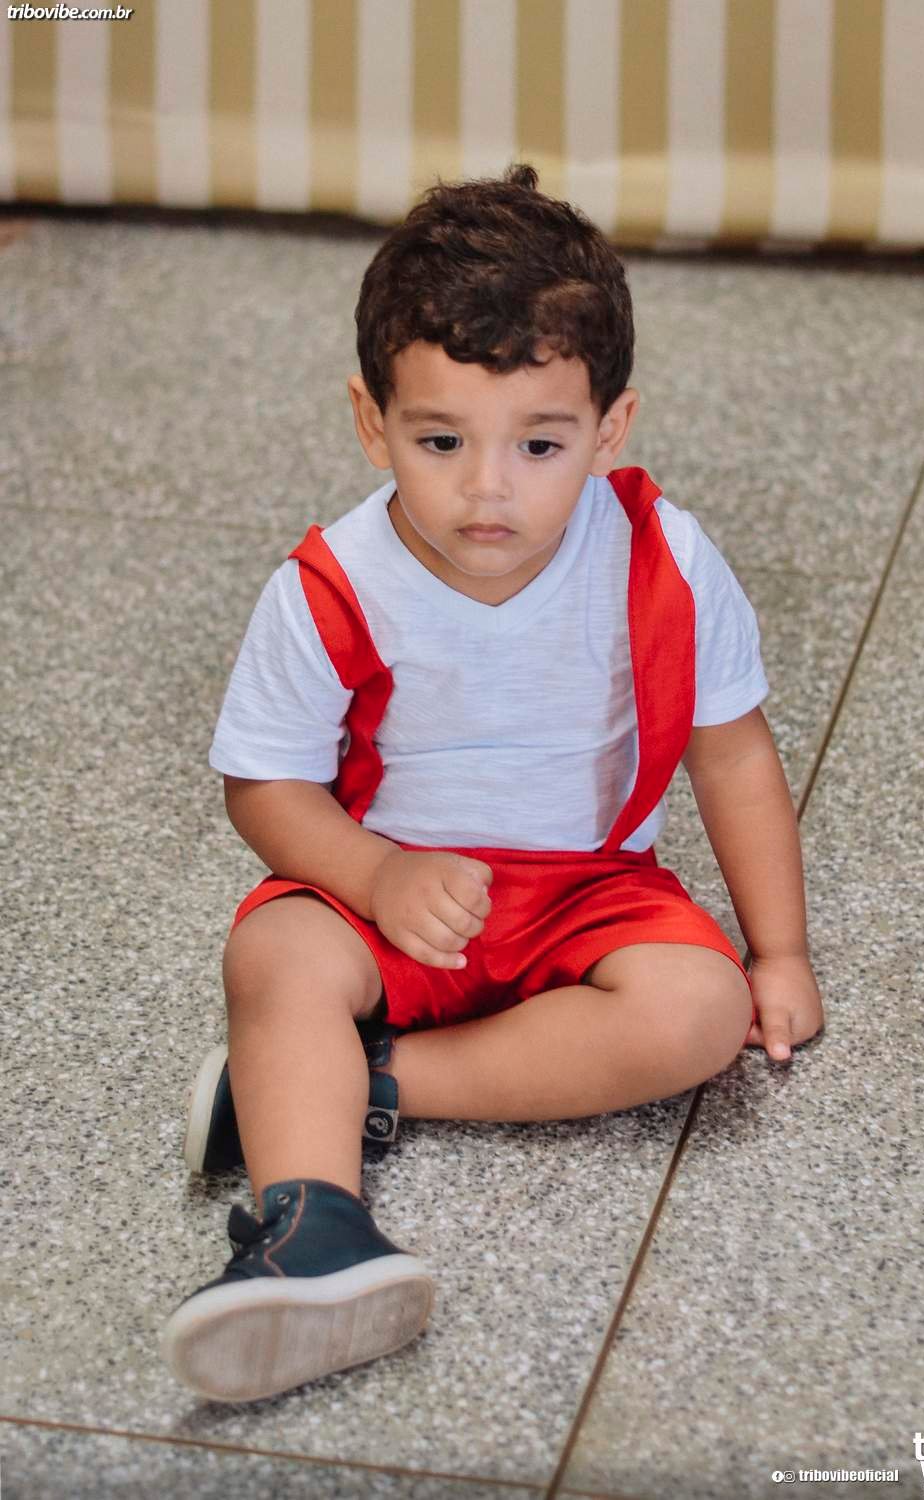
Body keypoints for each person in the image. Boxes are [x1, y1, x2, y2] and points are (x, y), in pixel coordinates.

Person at [162, 162, 824, 1403]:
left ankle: (346, 1087)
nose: (487, 488)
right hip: (384, 887)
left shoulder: (665, 560)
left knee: (701, 1013)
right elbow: (265, 789)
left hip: (591, 890)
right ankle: (311, 1231)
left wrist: (778, 953)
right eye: (440, 441)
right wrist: (374, 873)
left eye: (540, 444)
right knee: (275, 957)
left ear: (610, 429)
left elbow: (731, 751)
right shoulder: (328, 586)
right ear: (371, 422)